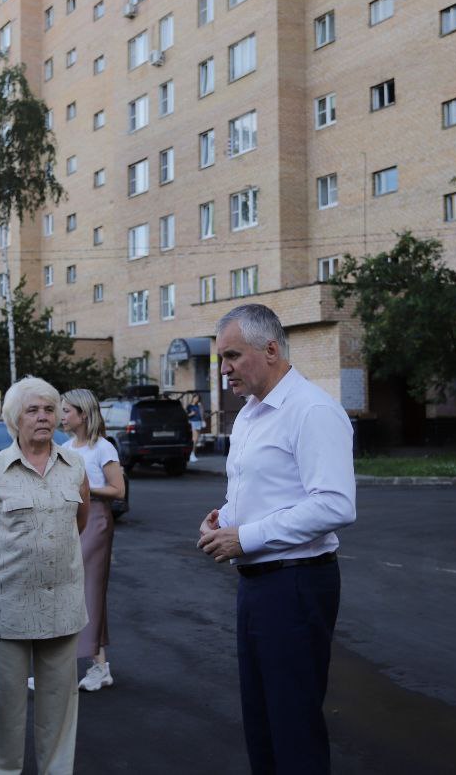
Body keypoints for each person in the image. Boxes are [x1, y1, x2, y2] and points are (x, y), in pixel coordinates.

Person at [197, 304, 357, 775]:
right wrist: (221, 521)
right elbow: (256, 492)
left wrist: (243, 537)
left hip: (297, 584)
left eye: (231, 356)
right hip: (259, 583)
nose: (224, 369)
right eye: (220, 358)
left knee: (293, 726)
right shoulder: (249, 414)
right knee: (262, 722)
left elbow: (334, 505)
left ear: (270, 350)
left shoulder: (312, 410)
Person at [0, 376, 90, 775]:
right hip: (8, 607)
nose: (43, 417)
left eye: (50, 409)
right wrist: (14, 555)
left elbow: (79, 522)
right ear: (15, 418)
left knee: (59, 708)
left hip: (62, 606)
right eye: (33, 410)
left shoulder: (75, 466)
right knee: (2, 709)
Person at [60, 388, 125, 692]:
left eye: (66, 411)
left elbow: (118, 490)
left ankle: (62, 668)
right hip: (70, 519)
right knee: (82, 591)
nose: (62, 417)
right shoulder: (65, 446)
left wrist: (85, 488)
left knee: (84, 591)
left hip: (96, 520)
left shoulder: (103, 448)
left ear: (83, 414)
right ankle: (100, 666)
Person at [186, 394, 204, 463]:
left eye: (198, 398)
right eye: (195, 398)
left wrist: (201, 407)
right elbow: (186, 415)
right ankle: (191, 454)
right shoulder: (189, 406)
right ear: (193, 398)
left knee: (196, 440)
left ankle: (193, 454)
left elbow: (202, 414)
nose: (196, 399)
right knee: (194, 439)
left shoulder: (198, 405)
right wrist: (191, 414)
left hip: (199, 422)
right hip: (193, 422)